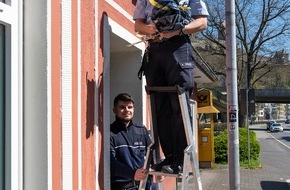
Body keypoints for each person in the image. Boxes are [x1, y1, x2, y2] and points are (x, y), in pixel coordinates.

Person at [133, 0, 209, 174]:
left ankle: (179, 160)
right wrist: (150, 30)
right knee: (159, 107)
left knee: (178, 105)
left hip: (178, 45)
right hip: (154, 48)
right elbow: (138, 25)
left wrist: (178, 30)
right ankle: (168, 157)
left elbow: (202, 22)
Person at [110, 93, 152, 190]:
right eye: (122, 107)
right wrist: (132, 174)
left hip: (145, 186)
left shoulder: (141, 130)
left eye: (130, 107)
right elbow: (111, 164)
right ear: (114, 110)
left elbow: (152, 155)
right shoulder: (109, 133)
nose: (127, 110)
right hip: (123, 187)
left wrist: (158, 170)